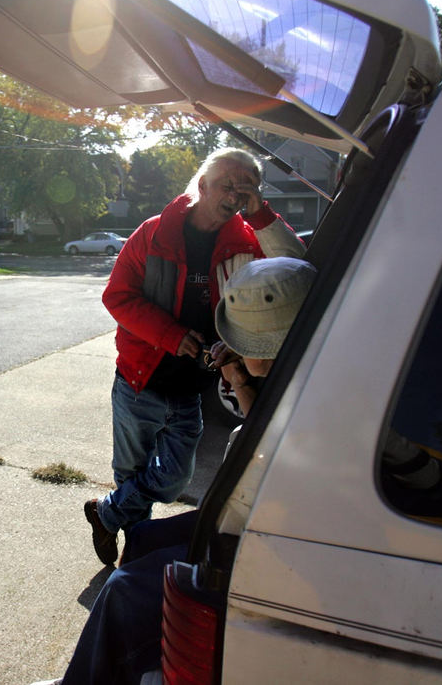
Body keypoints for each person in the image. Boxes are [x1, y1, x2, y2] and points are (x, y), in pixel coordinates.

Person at [33, 257, 317, 685]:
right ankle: (131, 661)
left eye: (245, 340)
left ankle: (90, 674)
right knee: (143, 535)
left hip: (271, 538)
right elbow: (119, 297)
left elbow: (268, 449)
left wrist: (241, 374)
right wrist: (240, 374)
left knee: (125, 588)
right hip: (243, 513)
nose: (234, 346)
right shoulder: (292, 371)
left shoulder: (308, 385)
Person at [85, 148, 305, 565]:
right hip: (139, 380)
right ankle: (134, 560)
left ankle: (105, 512)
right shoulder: (154, 234)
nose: (236, 195)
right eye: (228, 185)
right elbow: (117, 296)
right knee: (131, 475)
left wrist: (260, 212)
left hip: (191, 387)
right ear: (202, 186)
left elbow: (297, 269)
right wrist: (169, 335)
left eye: (246, 188)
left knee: (174, 478)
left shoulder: (247, 239)